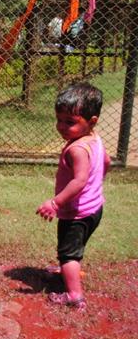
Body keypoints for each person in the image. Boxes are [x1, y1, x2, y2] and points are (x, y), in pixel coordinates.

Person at [36, 83, 110, 310]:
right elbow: (105, 161)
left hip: (76, 214)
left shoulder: (76, 149)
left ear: (92, 121)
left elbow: (79, 181)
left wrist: (55, 202)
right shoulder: (95, 139)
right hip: (94, 209)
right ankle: (66, 270)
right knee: (75, 246)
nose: (62, 126)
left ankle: (74, 295)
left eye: (70, 122)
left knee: (68, 253)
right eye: (59, 119)